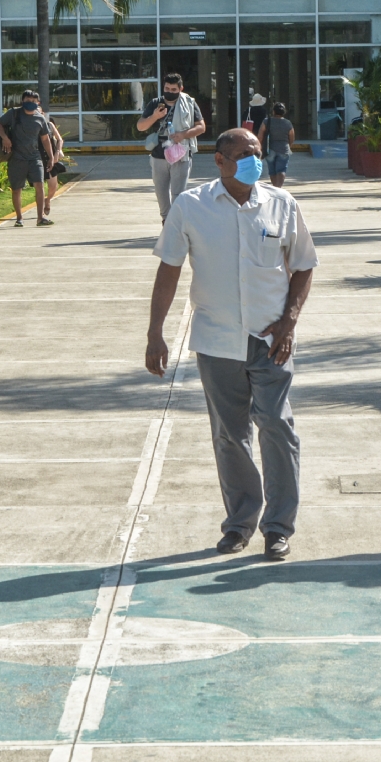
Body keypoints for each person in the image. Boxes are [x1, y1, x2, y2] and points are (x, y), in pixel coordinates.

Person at [146, 127, 318, 561]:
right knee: (230, 436)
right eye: (243, 153)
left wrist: (289, 322)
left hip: (270, 338)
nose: (253, 159)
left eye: (257, 152)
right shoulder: (191, 206)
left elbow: (303, 266)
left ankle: (278, 527)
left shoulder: (281, 204)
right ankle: (240, 523)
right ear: (219, 161)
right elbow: (169, 268)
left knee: (277, 426)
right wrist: (155, 332)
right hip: (217, 339)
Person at [136, 73, 206, 222]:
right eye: (167, 88)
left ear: (181, 88)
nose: (170, 92)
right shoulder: (156, 103)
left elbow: (201, 127)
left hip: (181, 153)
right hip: (158, 154)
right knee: (161, 192)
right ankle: (166, 221)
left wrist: (184, 134)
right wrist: (154, 116)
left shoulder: (189, 102)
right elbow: (140, 126)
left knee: (178, 193)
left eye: (174, 89)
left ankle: (175, 222)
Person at [0, 90, 56, 228]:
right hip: (17, 158)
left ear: (38, 103)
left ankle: (40, 218)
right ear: (22, 101)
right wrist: (5, 138)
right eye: (28, 101)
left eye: (34, 101)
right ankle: (19, 218)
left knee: (39, 186)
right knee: (17, 189)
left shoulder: (40, 119)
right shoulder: (14, 113)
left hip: (35, 158)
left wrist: (51, 157)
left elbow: (45, 139)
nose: (31, 104)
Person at [258, 102, 295, 187]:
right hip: (284, 149)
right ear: (284, 112)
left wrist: (259, 148)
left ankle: (275, 188)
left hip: (269, 149)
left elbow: (260, 136)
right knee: (281, 170)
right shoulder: (288, 123)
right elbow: (292, 137)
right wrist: (289, 146)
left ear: (273, 111)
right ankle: (279, 188)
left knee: (272, 171)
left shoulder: (266, 121)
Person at [43, 114, 66, 215]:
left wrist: (57, 152)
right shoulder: (31, 125)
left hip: (51, 159)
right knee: (39, 187)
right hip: (37, 159)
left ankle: (47, 200)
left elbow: (60, 139)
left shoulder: (49, 125)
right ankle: (40, 213)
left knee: (53, 186)